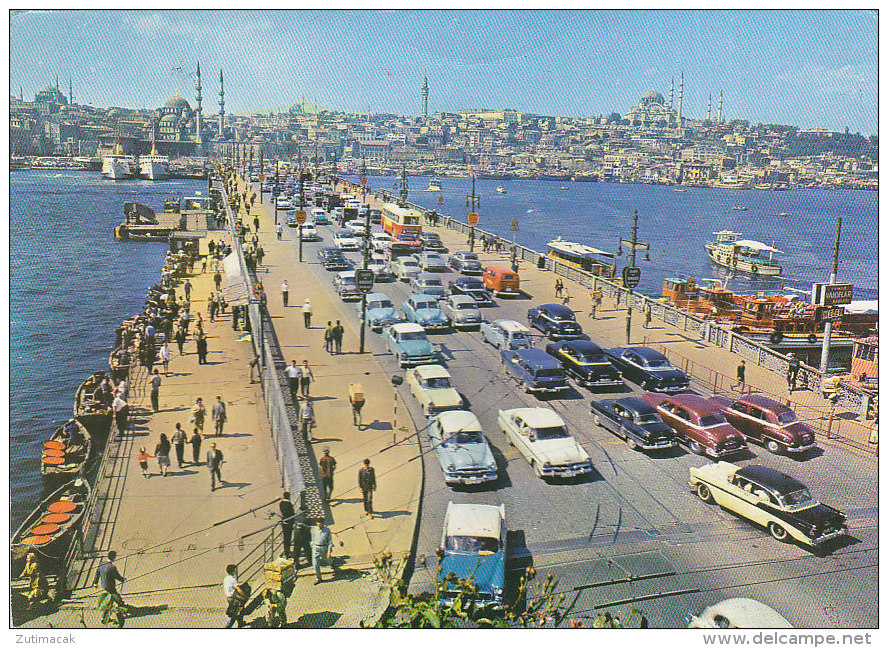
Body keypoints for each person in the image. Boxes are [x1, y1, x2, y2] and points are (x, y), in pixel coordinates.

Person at [223, 564, 250, 629]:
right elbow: (238, 589)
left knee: (240, 610)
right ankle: (228, 626)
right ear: (233, 571)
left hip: (228, 596)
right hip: (233, 598)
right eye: (235, 570)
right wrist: (244, 595)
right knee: (235, 614)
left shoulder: (226, 578)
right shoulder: (233, 579)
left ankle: (241, 623)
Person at [310, 520, 334, 584]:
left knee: (328, 559)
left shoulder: (327, 530)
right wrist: (313, 547)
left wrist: (329, 551)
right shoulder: (314, 530)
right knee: (315, 564)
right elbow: (312, 539)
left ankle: (331, 563)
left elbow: (330, 541)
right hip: (316, 548)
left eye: (321, 523)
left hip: (324, 548)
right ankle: (318, 578)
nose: (319, 524)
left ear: (323, 523)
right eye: (318, 523)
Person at [279, 492, 295, 559]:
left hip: (284, 522)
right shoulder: (289, 504)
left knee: (285, 538)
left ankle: (286, 551)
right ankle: (287, 552)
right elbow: (291, 513)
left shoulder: (281, 503)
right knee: (288, 537)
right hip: (289, 522)